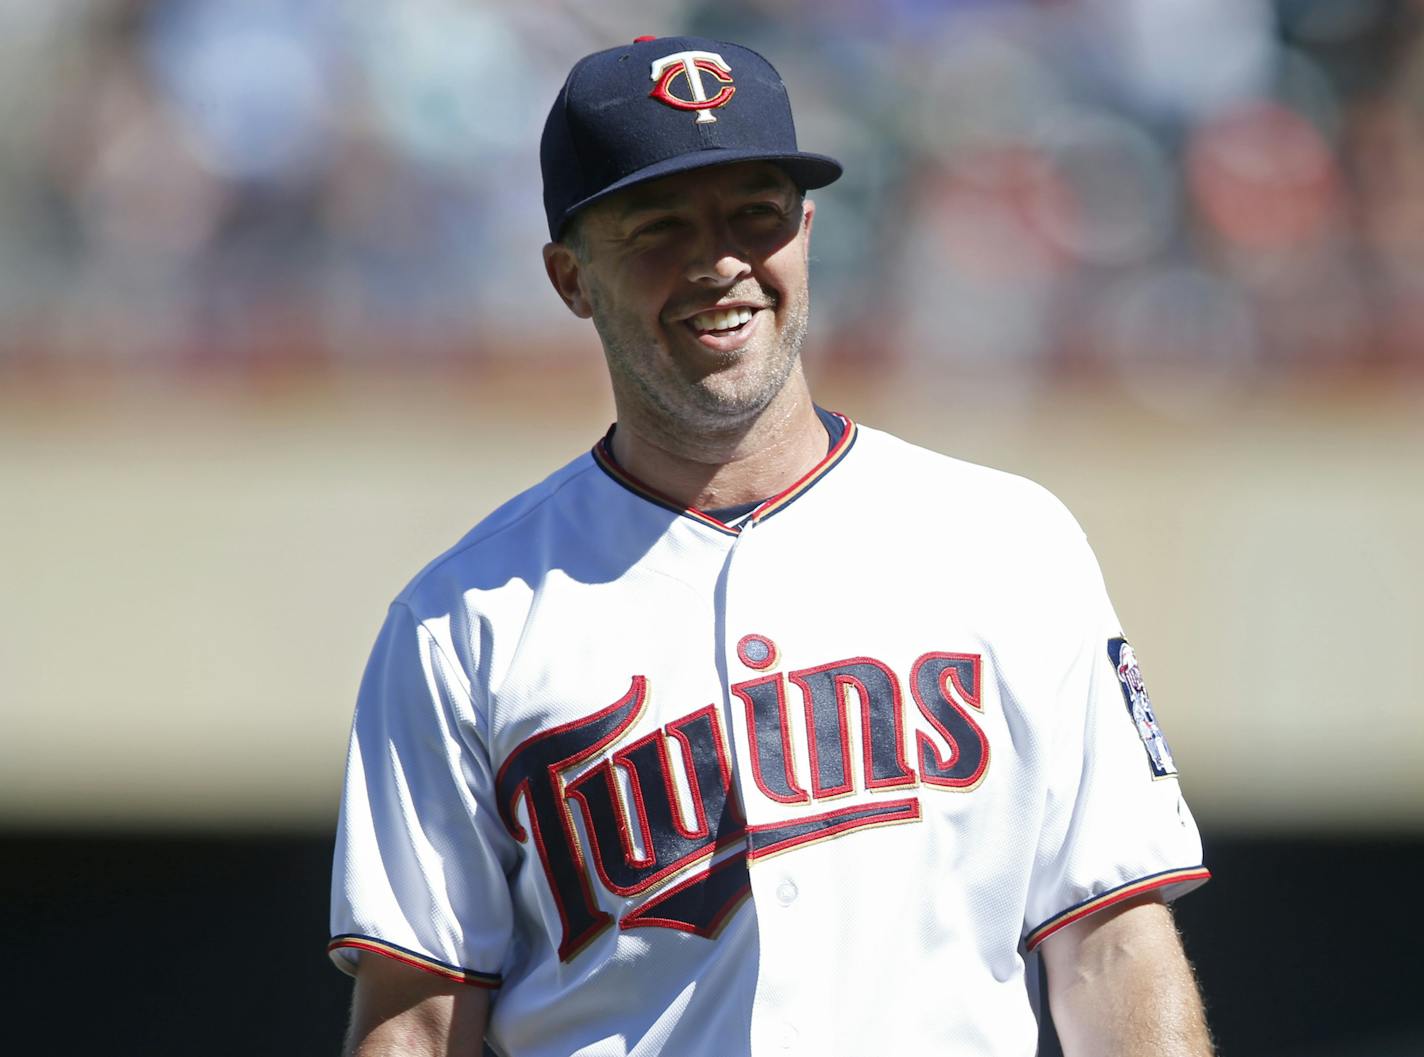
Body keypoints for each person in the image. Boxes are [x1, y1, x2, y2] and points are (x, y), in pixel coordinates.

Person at [329, 35, 1214, 1057]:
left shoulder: (1006, 543)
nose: (718, 263)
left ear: (804, 229)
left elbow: (1113, 947)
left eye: (753, 214)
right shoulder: (461, 619)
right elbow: (423, 1017)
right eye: (658, 226)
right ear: (570, 278)